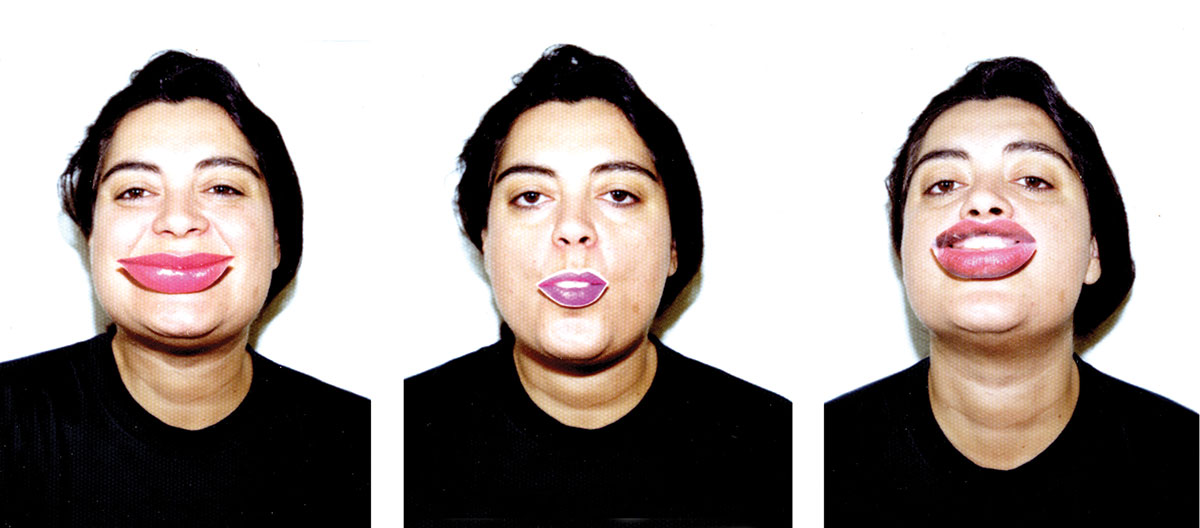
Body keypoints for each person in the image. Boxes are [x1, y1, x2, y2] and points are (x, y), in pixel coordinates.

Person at [405, 45, 791, 525]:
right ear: (485, 240)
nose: (573, 228)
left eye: (619, 194)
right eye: (531, 196)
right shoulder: (396, 439)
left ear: (674, 245)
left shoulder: (785, 451)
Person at [0, 51, 369, 525]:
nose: (177, 220)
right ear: (91, 237)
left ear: (277, 240)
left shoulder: (367, 445)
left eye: (222, 188)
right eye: (135, 191)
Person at [825, 57, 1198, 525]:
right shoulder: (816, 457)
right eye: (943, 183)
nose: (982, 200)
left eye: (1033, 180)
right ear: (902, 251)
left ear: (1093, 252)